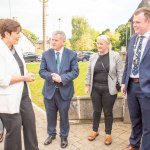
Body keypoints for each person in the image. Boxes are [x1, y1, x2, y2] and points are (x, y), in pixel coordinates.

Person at [0, 19, 39, 150]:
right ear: (6, 33)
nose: (20, 36)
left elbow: (21, 68)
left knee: (31, 127)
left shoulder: (16, 48)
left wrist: (27, 75)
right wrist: (24, 77)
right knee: (14, 132)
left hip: (24, 96)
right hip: (8, 99)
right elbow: (2, 79)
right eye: (17, 33)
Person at [39, 30, 79, 148]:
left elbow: (75, 72)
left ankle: (64, 136)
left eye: (56, 40)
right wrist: (51, 77)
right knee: (50, 114)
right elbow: (42, 71)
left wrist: (61, 78)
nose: (53, 42)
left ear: (63, 41)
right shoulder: (46, 54)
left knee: (63, 115)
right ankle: (51, 134)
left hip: (65, 91)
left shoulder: (71, 54)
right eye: (52, 39)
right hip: (49, 91)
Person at [85, 35, 122, 145]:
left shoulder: (115, 56)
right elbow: (89, 72)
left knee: (107, 112)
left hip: (109, 89)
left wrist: (121, 85)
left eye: (101, 43)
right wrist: (87, 85)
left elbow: (120, 72)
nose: (99, 45)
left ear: (107, 44)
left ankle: (108, 134)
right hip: (95, 88)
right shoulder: (93, 57)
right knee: (96, 111)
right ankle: (94, 131)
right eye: (97, 43)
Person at [122, 7, 150, 150]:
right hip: (131, 87)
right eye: (133, 22)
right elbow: (128, 63)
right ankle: (134, 144)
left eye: (138, 22)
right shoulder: (132, 39)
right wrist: (123, 82)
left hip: (147, 89)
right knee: (135, 119)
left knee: (148, 124)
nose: (134, 25)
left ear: (148, 22)